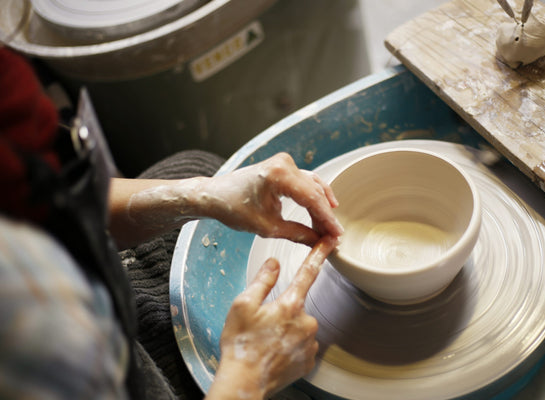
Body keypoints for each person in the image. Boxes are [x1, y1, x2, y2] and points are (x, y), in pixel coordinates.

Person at [0, 45, 343, 399]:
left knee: (196, 166)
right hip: (91, 367)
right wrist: (248, 375)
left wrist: (202, 194)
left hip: (74, 287)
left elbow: (65, 203)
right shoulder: (25, 314)